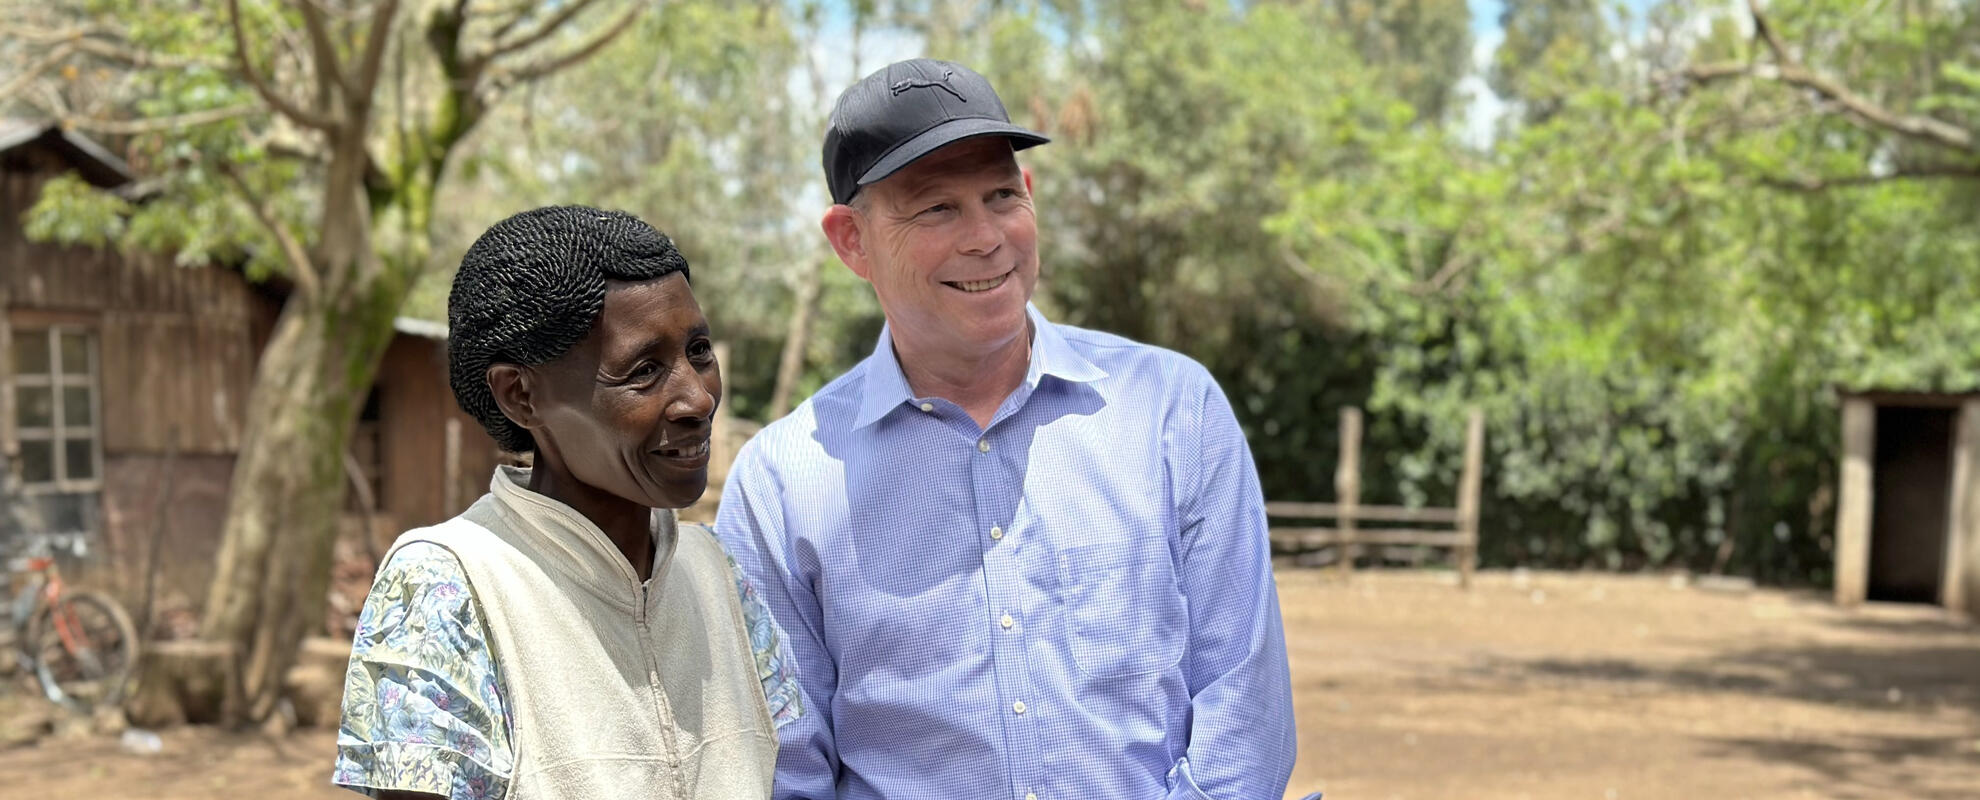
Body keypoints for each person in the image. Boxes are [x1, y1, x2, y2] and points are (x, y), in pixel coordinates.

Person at [716, 59, 1296, 800]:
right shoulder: (783, 483)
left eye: (1000, 196)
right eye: (937, 209)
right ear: (851, 240)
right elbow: (786, 769)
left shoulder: (1171, 411)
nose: (986, 237)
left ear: (1030, 192)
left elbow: (1243, 715)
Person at [332, 206, 801, 800]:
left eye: (699, 350)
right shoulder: (449, 585)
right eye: (644, 370)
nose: (698, 398)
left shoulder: (716, 573)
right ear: (520, 395)